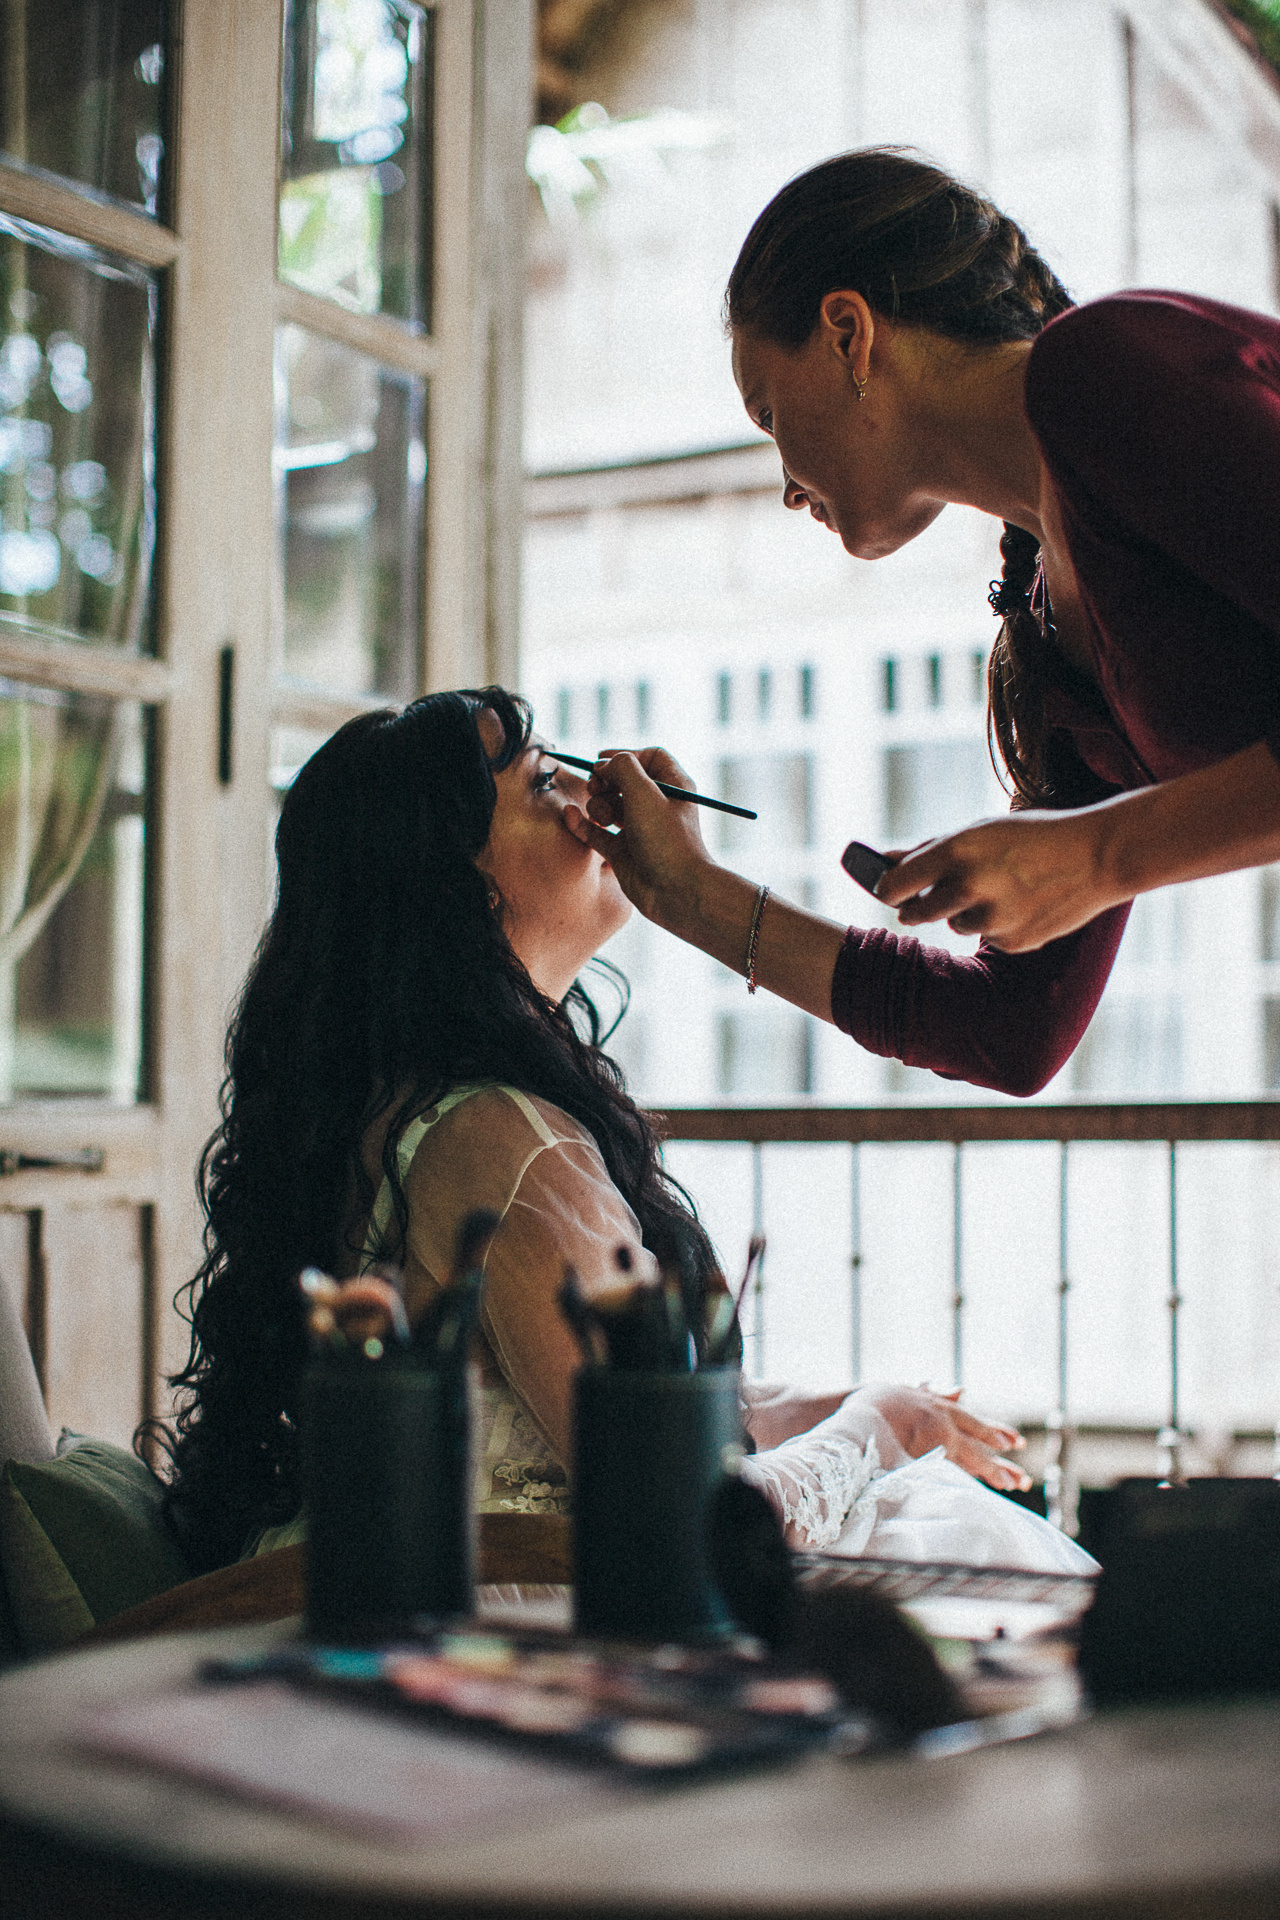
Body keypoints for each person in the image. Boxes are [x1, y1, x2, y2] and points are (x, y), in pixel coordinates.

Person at [153, 688, 1092, 1581]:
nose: (586, 798)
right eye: (539, 782)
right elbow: (685, 1518)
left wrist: (853, 1402)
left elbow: (587, 1402)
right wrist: (880, 1427)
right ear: (457, 890)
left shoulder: (413, 1106)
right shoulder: (505, 1144)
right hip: (523, 1626)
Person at [564, 148, 1280, 1097]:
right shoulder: (1053, 641)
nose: (785, 487)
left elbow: (1095, 869)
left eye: (771, 413)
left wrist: (1099, 856)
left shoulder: (1104, 369)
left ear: (848, 334)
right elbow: (1010, 1032)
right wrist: (687, 895)